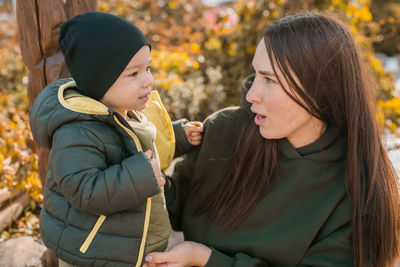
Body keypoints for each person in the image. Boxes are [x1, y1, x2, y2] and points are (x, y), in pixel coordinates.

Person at [144, 12, 400, 267]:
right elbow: (174, 205)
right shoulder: (224, 129)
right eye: (255, 75)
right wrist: (146, 174)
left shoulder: (357, 194)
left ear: (319, 89)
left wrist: (205, 259)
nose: (252, 94)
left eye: (269, 80)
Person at [29, 12, 203, 267]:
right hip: (94, 252)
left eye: (148, 68)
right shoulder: (77, 130)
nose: (148, 81)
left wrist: (179, 135)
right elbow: (83, 191)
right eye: (133, 74)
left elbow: (148, 143)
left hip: (128, 245)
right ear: (99, 80)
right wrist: (141, 176)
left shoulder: (128, 111)